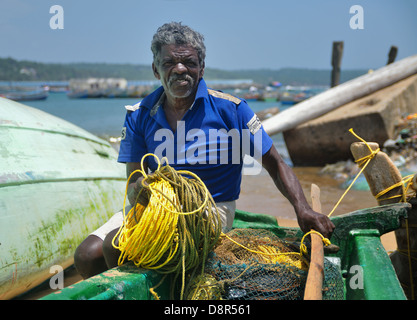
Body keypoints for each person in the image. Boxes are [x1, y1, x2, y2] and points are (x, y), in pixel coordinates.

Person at [74, 22, 335, 279]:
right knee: (88, 255)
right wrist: (144, 191)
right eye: (169, 63)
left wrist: (302, 209)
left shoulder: (231, 109)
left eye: (188, 62)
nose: (179, 70)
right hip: (156, 206)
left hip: (212, 208)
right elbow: (134, 178)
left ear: (201, 68)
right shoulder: (139, 114)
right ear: (156, 70)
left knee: (115, 245)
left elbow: (275, 164)